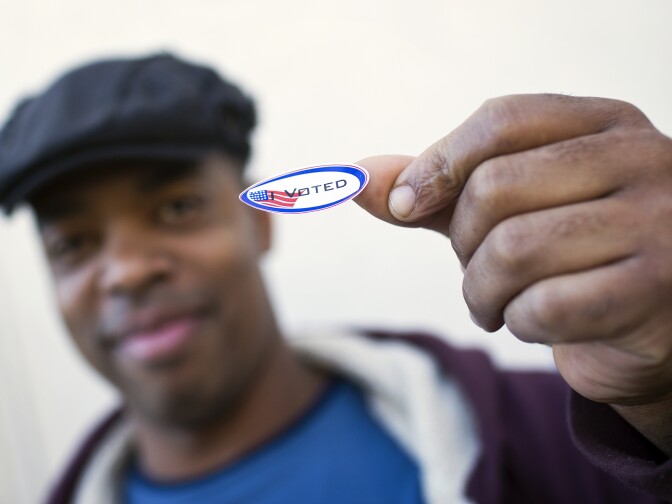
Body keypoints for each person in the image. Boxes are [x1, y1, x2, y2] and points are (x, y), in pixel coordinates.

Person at [0, 53, 670, 504]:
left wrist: (660, 390)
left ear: (261, 221)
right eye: (74, 244)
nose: (124, 272)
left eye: (176, 208)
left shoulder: (559, 435)